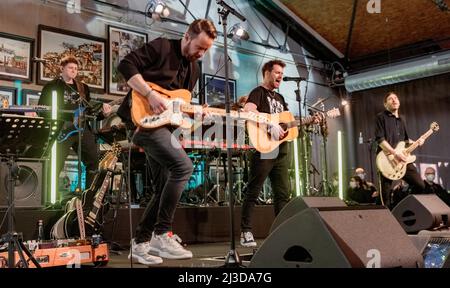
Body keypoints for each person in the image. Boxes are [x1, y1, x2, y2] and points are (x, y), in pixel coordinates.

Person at [117, 19, 217, 265]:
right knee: (184, 167)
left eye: (206, 50)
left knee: (162, 187)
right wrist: (149, 94)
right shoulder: (162, 47)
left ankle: (140, 245)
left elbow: (178, 111)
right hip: (141, 121)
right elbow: (125, 64)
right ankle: (161, 233)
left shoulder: (194, 70)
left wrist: (197, 114)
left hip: (166, 128)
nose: (201, 53)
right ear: (187, 36)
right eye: (199, 47)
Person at [37, 56, 111, 199]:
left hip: (82, 129)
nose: (74, 71)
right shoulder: (52, 86)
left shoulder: (83, 88)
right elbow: (42, 109)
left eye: (76, 68)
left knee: (93, 163)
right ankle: (50, 199)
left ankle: (89, 197)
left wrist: (103, 113)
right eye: (70, 68)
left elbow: (90, 112)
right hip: (61, 129)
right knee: (55, 164)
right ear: (62, 69)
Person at [239, 59, 291, 247]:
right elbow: (248, 111)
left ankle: (281, 231)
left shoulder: (280, 98)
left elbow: (288, 122)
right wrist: (270, 124)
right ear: (267, 73)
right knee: (254, 190)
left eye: (282, 74)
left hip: (281, 151)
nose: (280, 77)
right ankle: (245, 231)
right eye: (277, 73)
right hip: (264, 148)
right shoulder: (258, 92)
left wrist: (308, 120)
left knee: (283, 193)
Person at [374, 92, 425, 209]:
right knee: (385, 196)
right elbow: (380, 140)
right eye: (390, 99)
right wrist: (394, 152)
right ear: (385, 104)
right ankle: (382, 222)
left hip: (402, 161)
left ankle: (401, 207)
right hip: (387, 159)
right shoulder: (381, 117)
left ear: (399, 102)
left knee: (420, 185)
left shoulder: (402, 119)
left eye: (396, 98)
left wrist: (416, 142)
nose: (394, 100)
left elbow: (405, 141)